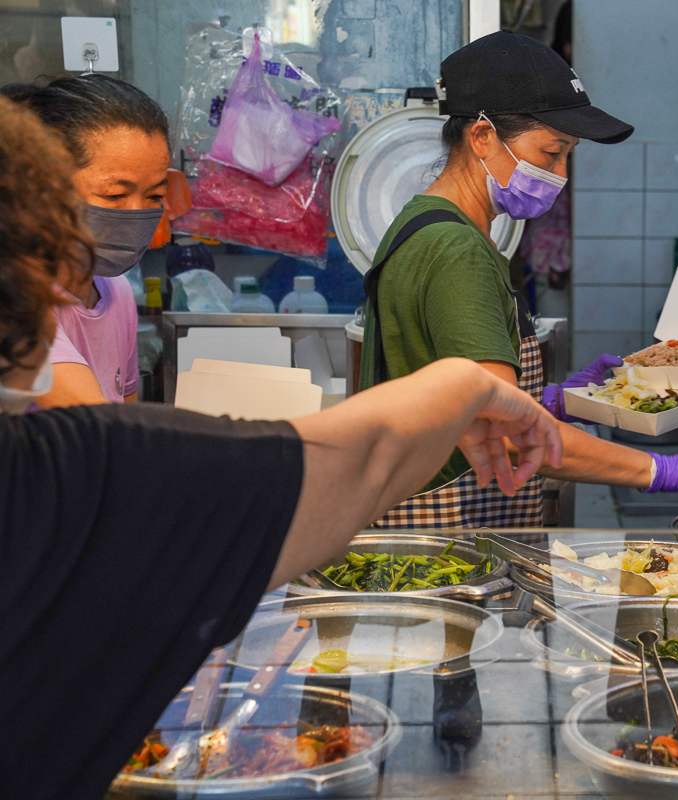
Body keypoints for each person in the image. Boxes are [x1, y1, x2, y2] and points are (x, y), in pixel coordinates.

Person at [0, 96, 562, 800]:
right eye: (55, 259)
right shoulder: (48, 469)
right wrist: (466, 389)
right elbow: (336, 460)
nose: (74, 283)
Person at [361, 31, 678, 528]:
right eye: (551, 153)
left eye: (569, 154)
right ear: (482, 137)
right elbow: (502, 436)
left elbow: (452, 390)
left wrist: (553, 401)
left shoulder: (423, 222)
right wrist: (663, 469)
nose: (561, 173)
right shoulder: (457, 251)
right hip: (444, 540)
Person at [2, 75, 171, 406]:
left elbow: (128, 424)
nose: (135, 213)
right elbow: (98, 429)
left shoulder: (117, 292)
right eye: (115, 195)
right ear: (45, 185)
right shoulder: (13, 298)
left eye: (155, 195)